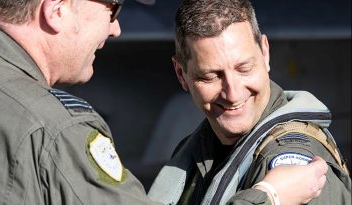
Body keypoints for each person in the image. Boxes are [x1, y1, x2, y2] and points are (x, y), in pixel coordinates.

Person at [0, 0, 329, 204]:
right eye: (113, 8)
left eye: (243, 68)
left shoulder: (293, 149)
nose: (116, 28)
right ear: (56, 10)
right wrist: (269, 196)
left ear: (264, 52)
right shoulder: (53, 132)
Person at [148, 0, 351, 204]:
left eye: (244, 69)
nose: (233, 94)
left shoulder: (289, 164)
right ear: (181, 74)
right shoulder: (199, 151)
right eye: (211, 76)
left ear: (265, 53)